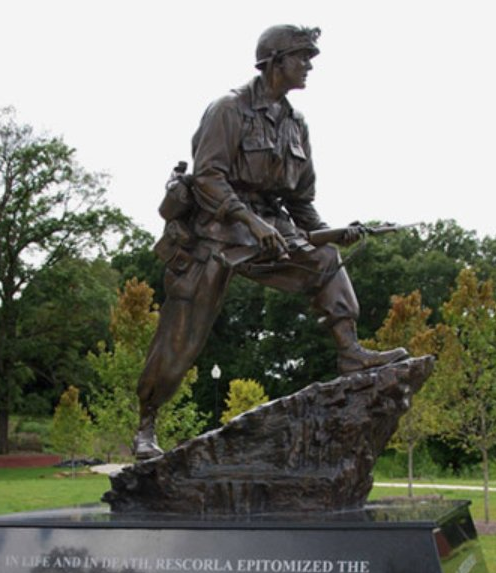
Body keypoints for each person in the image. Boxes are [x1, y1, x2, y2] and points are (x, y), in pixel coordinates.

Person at [134, 24, 407, 460]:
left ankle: (351, 352)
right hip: (213, 235)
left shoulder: (297, 125)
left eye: (310, 59)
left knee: (326, 258)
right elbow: (207, 176)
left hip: (268, 234)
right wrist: (248, 220)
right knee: (182, 339)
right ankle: (146, 425)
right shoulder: (228, 109)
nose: (309, 67)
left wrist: (333, 232)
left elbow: (302, 202)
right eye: (302, 58)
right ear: (273, 61)